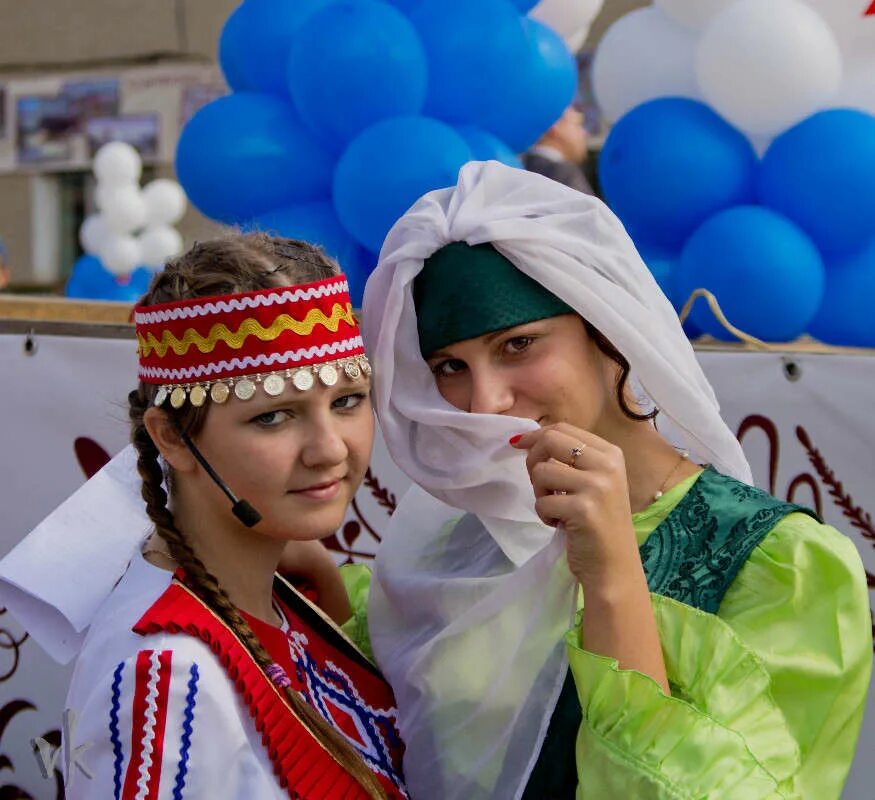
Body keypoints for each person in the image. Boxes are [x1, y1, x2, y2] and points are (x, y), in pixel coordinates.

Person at [358, 160, 872, 799]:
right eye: (450, 366)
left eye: (518, 345)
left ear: (608, 331)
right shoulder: (453, 546)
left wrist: (614, 583)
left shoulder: (782, 567)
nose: (484, 401)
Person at [60, 234, 407, 799]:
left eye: (346, 401)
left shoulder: (273, 595)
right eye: (273, 416)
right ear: (170, 436)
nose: (330, 449)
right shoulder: (170, 675)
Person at [522, 104, 594, 195]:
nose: (584, 133)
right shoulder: (565, 174)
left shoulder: (516, 168)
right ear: (555, 126)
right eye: (578, 124)